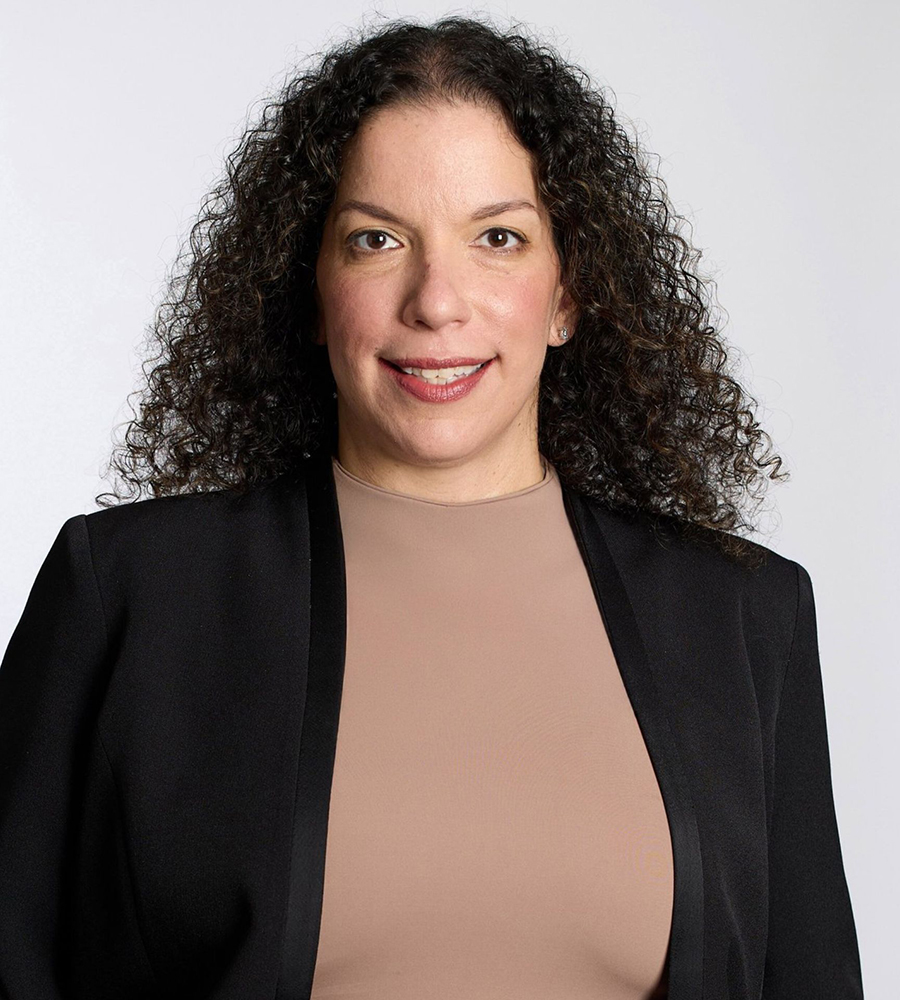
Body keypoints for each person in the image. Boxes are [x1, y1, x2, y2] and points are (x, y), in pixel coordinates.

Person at [0, 13, 863, 1000]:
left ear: (569, 292)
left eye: (498, 237)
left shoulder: (743, 615)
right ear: (315, 289)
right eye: (377, 239)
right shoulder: (132, 592)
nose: (437, 299)